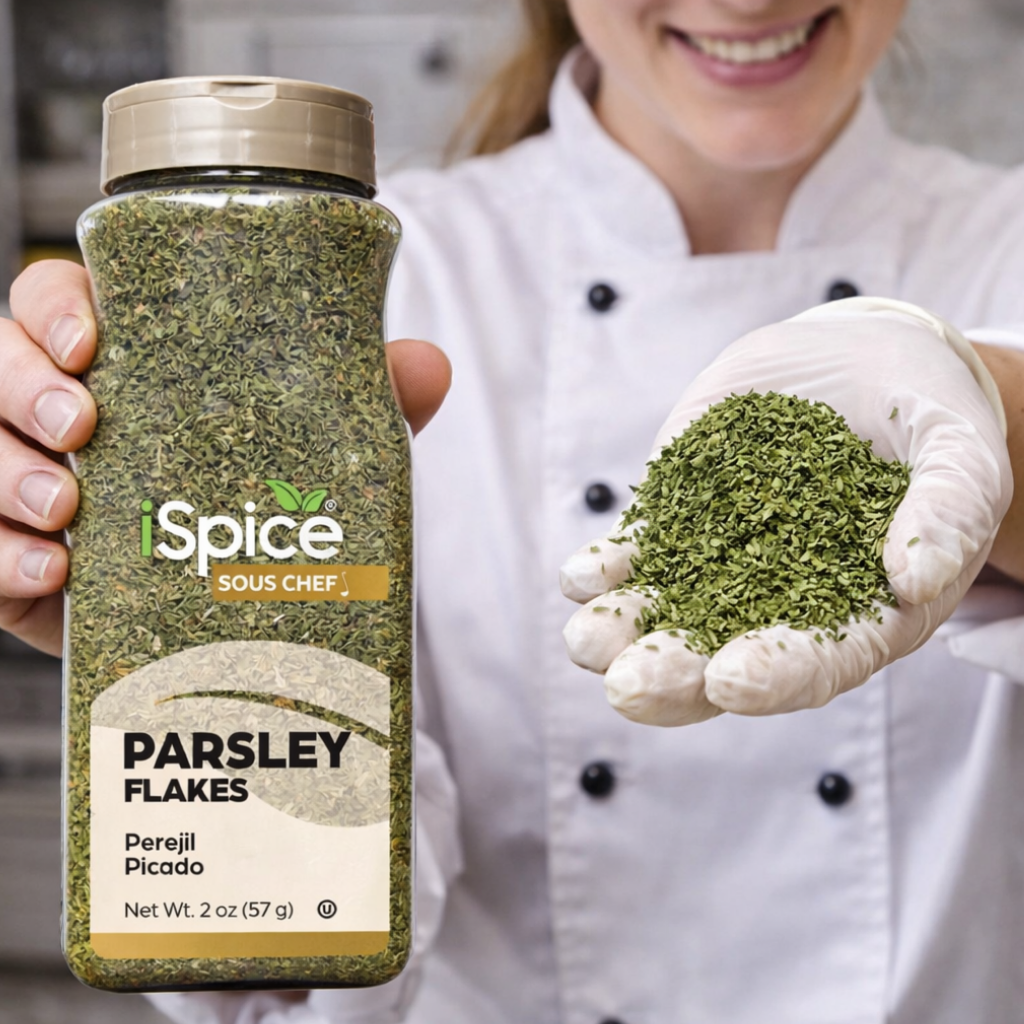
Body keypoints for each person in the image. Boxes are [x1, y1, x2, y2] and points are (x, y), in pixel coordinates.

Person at [3, 0, 1024, 1021]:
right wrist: (191, 658)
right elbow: (299, 953)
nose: (744, 1)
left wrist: (988, 405)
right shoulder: (363, 280)